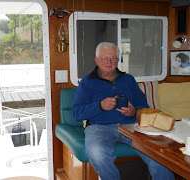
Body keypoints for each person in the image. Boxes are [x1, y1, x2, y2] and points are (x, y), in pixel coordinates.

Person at [72, 42, 175, 180]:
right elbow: (76, 113)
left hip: (131, 126)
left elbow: (144, 108)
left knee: (159, 155)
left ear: (118, 59)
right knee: (97, 153)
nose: (109, 62)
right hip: (99, 128)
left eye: (113, 58)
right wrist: (100, 106)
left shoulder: (128, 80)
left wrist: (133, 111)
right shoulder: (87, 82)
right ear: (97, 60)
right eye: (104, 58)